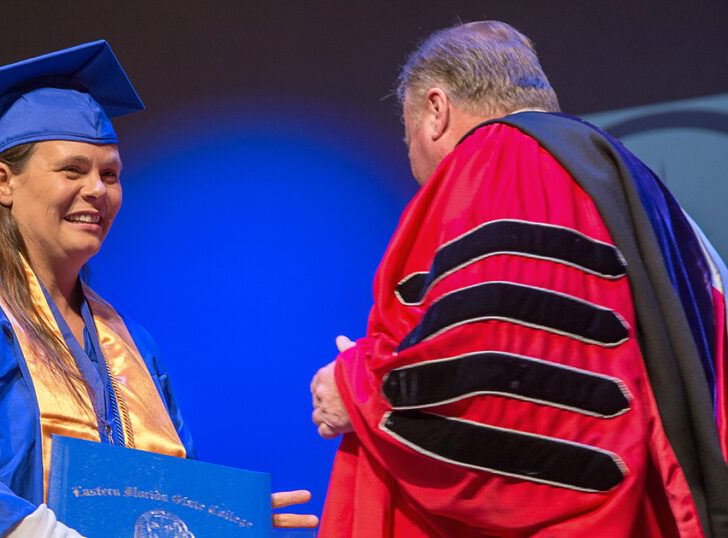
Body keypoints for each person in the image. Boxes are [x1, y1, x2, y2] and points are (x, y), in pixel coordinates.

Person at [0, 41, 316, 537]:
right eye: (73, 170)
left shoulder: (128, 342)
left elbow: (150, 500)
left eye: (110, 174)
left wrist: (218, 518)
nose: (97, 190)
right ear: (3, 181)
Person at [310, 21, 728, 537]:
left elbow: (496, 361)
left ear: (437, 111)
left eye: (408, 134)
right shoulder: (637, 187)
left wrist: (357, 388)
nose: (415, 164)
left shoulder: (503, 159)